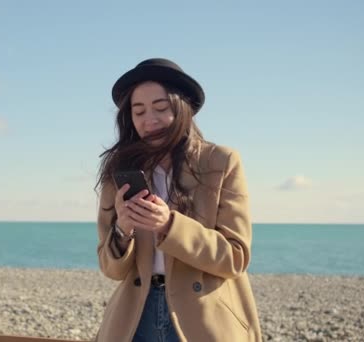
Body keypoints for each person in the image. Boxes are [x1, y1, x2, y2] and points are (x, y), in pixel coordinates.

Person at [94, 58, 262, 342]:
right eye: (139, 112)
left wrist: (169, 225)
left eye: (161, 108)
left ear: (182, 107)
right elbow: (111, 269)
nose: (150, 120)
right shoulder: (119, 171)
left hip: (205, 316)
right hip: (137, 316)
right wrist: (123, 230)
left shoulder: (221, 161)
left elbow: (235, 258)